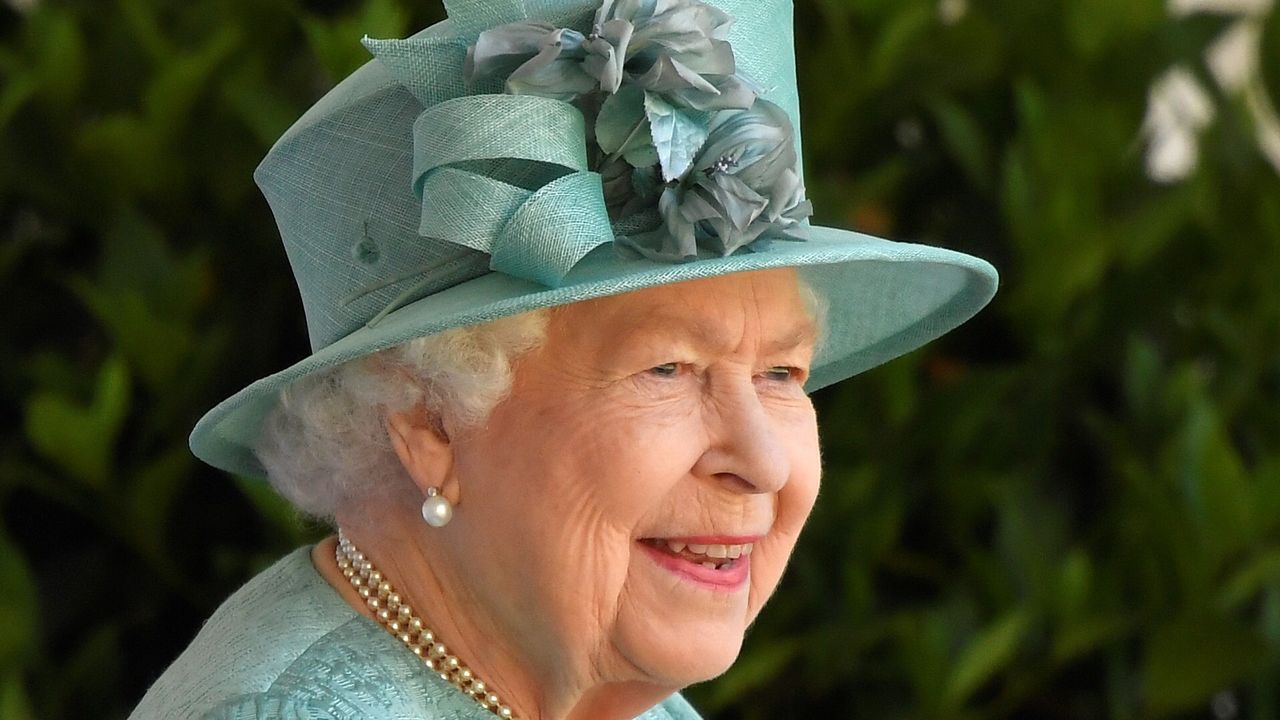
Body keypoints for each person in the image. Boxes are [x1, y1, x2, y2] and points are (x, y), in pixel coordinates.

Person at [129, 0, 997, 717]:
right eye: (668, 370)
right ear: (428, 422)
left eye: (781, 374)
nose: (764, 463)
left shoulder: (600, 690)